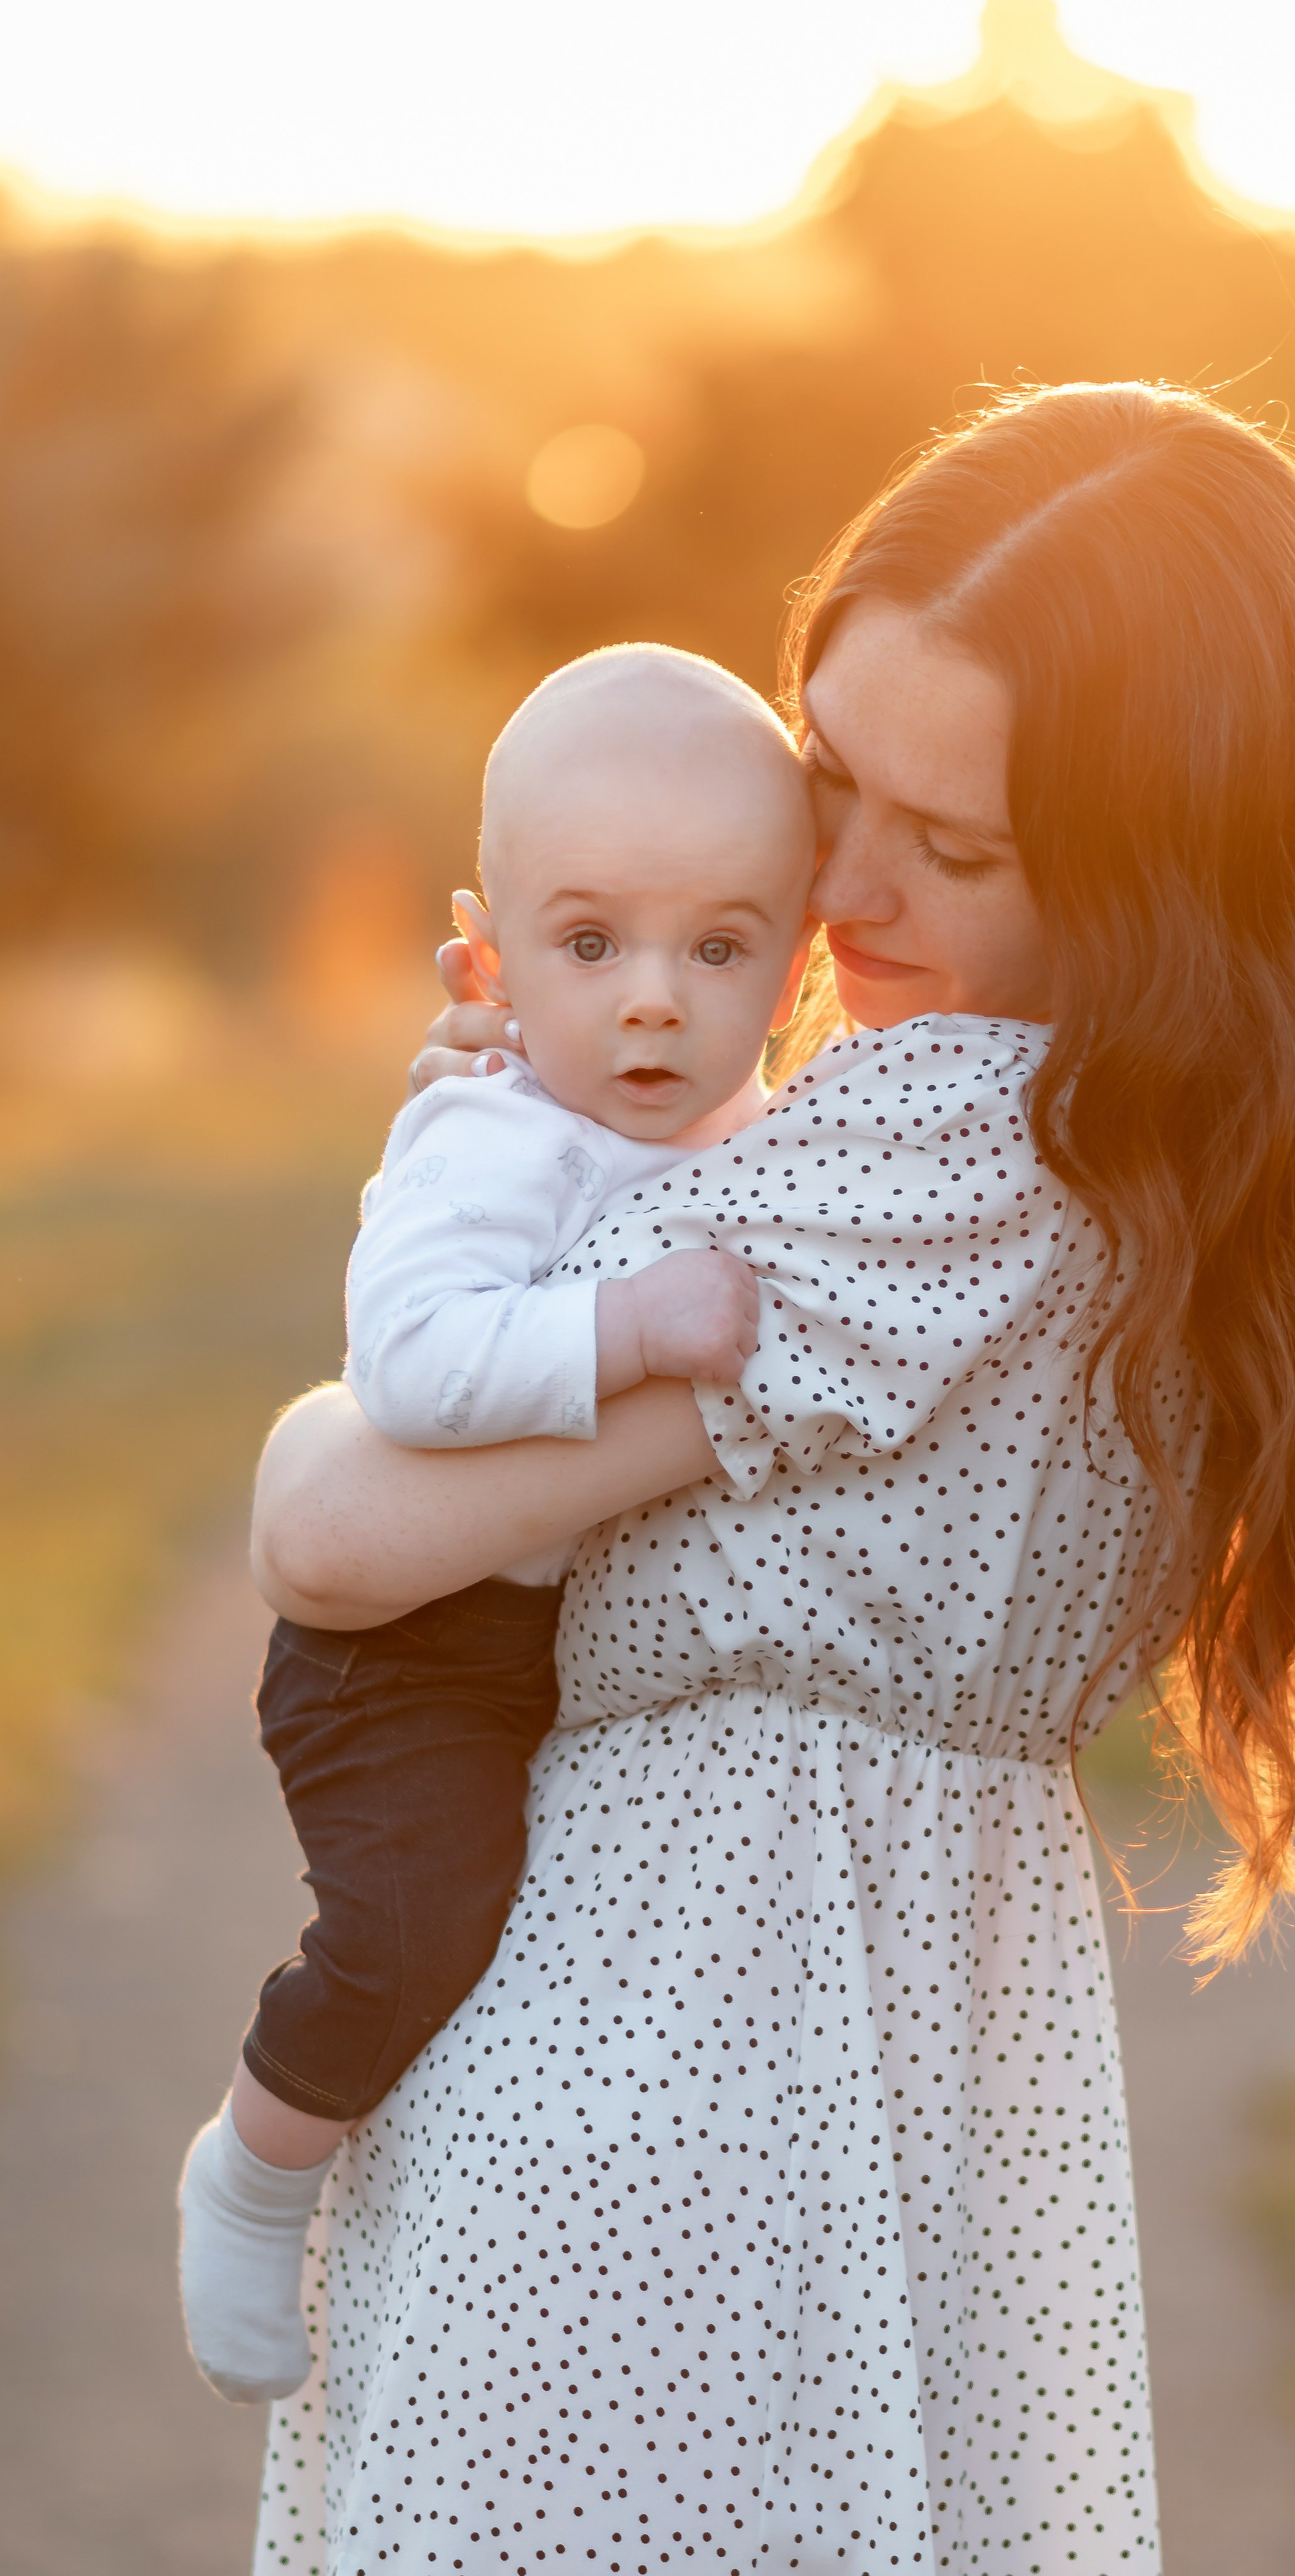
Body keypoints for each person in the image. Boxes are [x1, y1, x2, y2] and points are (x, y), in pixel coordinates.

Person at [245, 381, 1295, 2574]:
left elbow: (339, 1532)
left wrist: (445, 1197)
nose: (838, 881)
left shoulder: (948, 1144)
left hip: (666, 2126)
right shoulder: (1165, 1166)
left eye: (966, 844)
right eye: (835, 777)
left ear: (1166, 878)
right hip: (886, 2111)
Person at [178, 647, 815, 2405]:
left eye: (720, 949)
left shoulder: (758, 1129)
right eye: (590, 945)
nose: (651, 1008)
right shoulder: (490, 1127)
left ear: (799, 956)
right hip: (412, 1654)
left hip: (550, 1642)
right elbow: (414, 1361)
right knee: (421, 1917)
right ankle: (256, 2164)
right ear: (488, 956)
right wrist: (631, 1332)